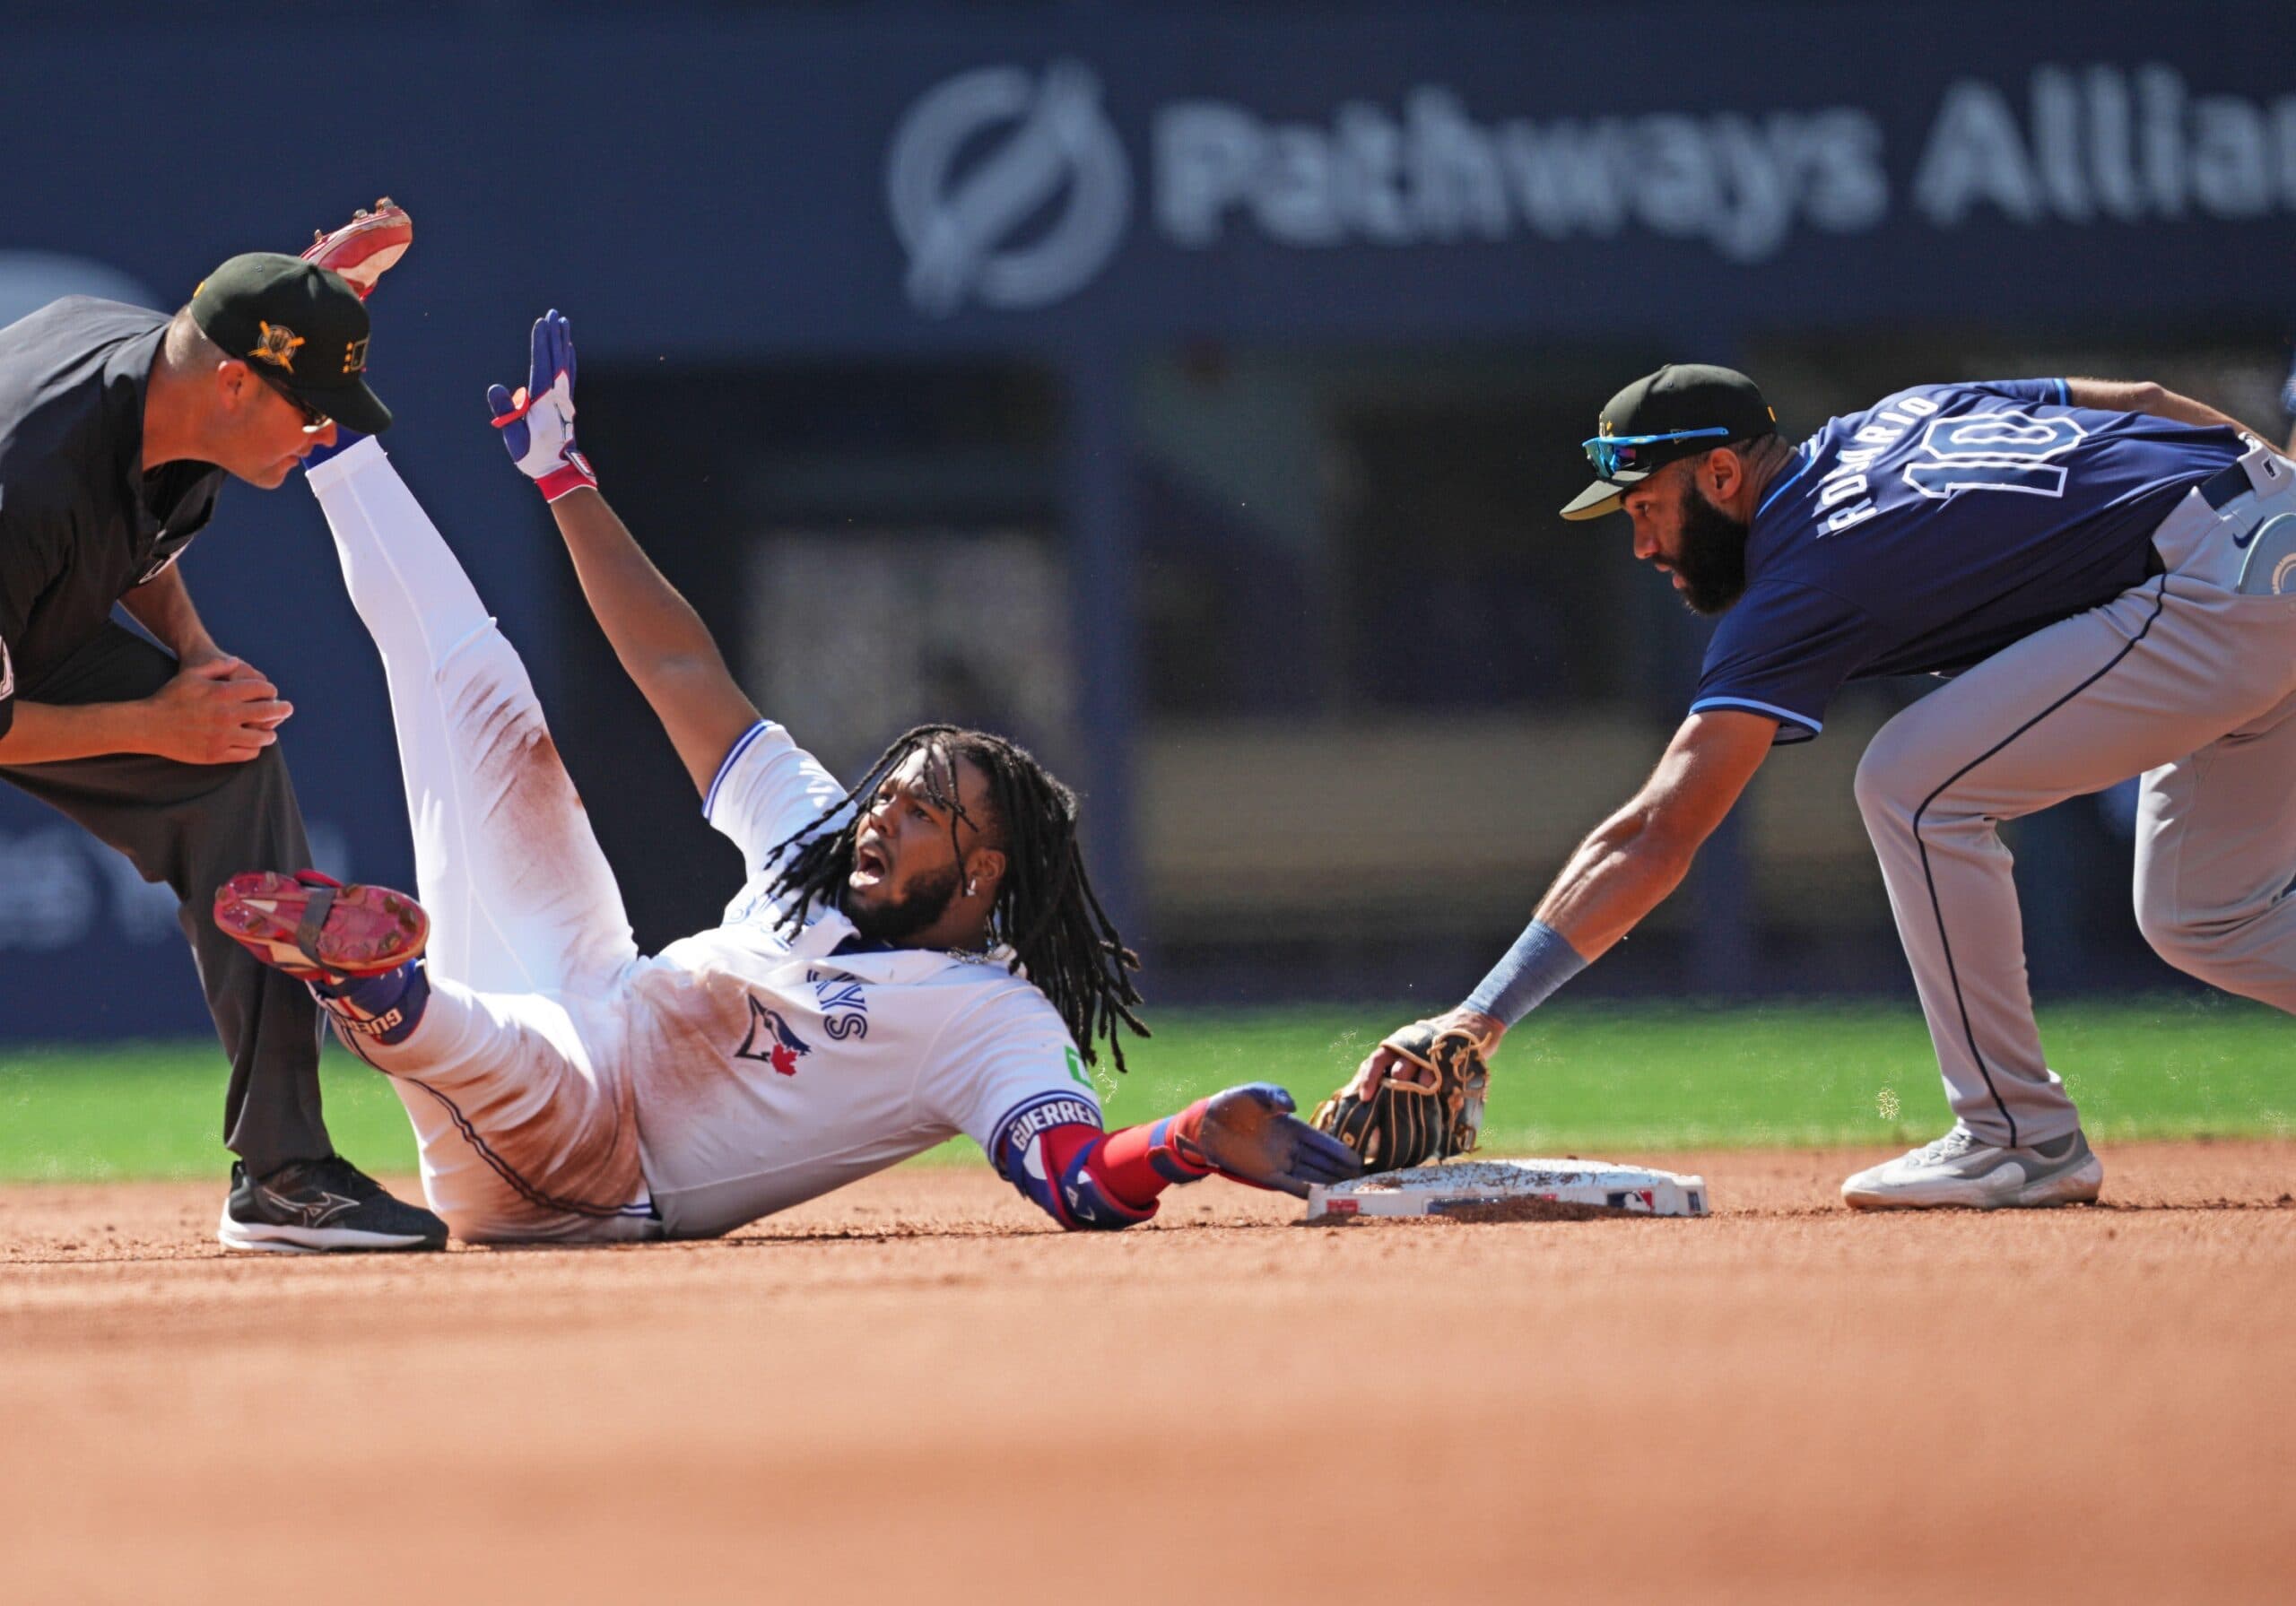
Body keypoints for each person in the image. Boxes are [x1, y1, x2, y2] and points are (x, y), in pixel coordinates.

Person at [213, 311, 1358, 1243]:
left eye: (921, 814)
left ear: (984, 868)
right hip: (590, 988)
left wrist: (1187, 1141)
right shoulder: (823, 838)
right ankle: (324, 426)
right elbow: (678, 667)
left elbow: (1074, 1180)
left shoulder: (987, 1019)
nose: (882, 817)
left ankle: (381, 993)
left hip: (592, 1174)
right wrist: (564, 478)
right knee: (477, 690)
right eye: (891, 791)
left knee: (516, 1063)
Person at [1352, 363, 2296, 1210]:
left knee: (1913, 786)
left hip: (2215, 589)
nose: (1641, 544)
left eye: (1645, 507)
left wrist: (1480, 1015)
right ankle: (2017, 1131)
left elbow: (1661, 830)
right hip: (2265, 530)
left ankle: (2019, 1137)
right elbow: (2138, 402)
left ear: (1721, 476)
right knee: (2204, 914)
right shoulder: (1902, 412)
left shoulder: (1804, 567)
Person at [0, 204, 448, 1252]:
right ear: (238, 384)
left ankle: (285, 1174)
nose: (327, 429)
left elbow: (136, 533)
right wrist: (152, 718)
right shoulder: (25, 484)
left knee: (226, 760)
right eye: (315, 404)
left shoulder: (184, 383)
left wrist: (195, 665)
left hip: (32, 612)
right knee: (187, 736)